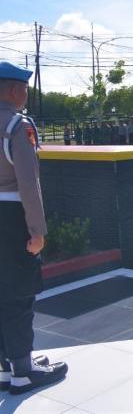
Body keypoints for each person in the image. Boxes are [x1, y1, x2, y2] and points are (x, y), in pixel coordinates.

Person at [0, 61, 68, 394]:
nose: (26, 94)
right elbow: (28, 182)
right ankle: (23, 371)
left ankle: (6, 366)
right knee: (18, 294)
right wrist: (38, 230)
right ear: (14, 90)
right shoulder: (17, 124)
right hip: (12, 218)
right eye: (24, 88)